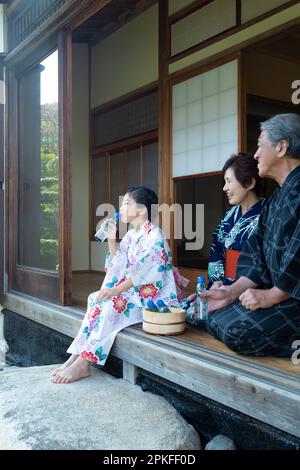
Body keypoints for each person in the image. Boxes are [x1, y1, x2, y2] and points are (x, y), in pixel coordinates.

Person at [51, 186, 179, 383]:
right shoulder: (131, 235)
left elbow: (145, 274)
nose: (121, 207)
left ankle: (85, 363)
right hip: (133, 293)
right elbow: (117, 266)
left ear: (142, 209)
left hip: (152, 298)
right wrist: (111, 238)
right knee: (94, 298)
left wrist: (115, 291)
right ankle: (76, 355)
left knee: (111, 304)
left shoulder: (155, 235)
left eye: (126, 203)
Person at [201, 113, 300, 357]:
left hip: (293, 298)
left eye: (259, 145)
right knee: (213, 315)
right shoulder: (276, 199)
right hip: (279, 296)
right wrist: (231, 292)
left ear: (281, 147)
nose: (255, 154)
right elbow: (256, 255)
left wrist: (271, 295)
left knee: (238, 331)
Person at [208, 152, 265, 288]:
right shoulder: (230, 215)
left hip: (252, 290)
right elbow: (216, 246)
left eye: (229, 181)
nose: (224, 188)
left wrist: (233, 290)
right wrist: (217, 282)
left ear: (250, 183)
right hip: (223, 286)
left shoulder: (268, 212)